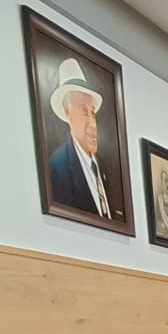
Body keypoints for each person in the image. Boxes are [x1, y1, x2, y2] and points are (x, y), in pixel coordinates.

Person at [45, 58, 114, 219]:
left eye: (93, 113)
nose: (92, 124)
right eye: (84, 112)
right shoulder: (58, 166)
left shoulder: (105, 164)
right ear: (67, 111)